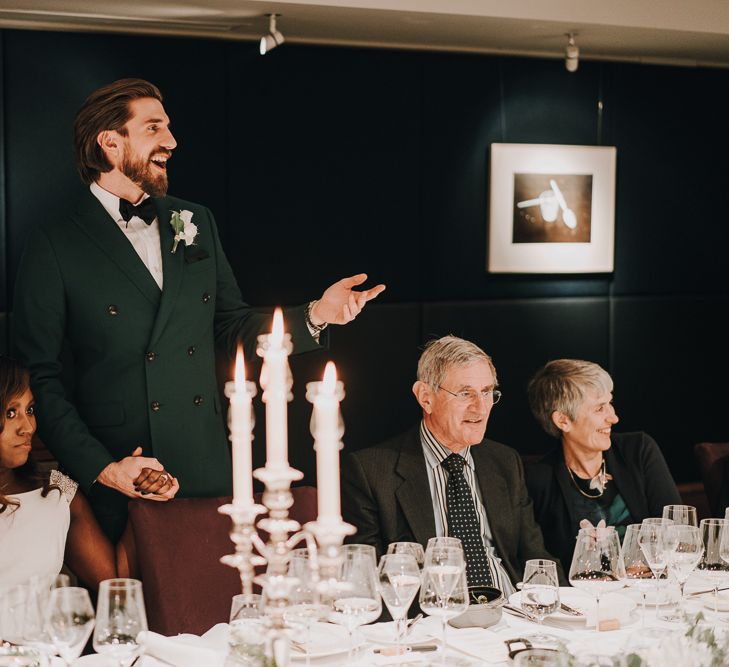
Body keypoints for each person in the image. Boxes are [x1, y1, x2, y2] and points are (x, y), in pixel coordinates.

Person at [12, 78, 384, 540]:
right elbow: (40, 376)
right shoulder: (54, 242)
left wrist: (316, 314)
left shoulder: (194, 221)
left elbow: (231, 327)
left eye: (168, 127)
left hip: (208, 466)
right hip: (124, 473)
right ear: (110, 143)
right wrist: (104, 468)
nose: (171, 141)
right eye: (153, 128)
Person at [341, 336, 558, 595]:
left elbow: (534, 558)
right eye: (465, 393)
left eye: (487, 392)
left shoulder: (504, 462)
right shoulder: (372, 472)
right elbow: (366, 580)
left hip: (510, 611)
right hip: (430, 618)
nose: (480, 407)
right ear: (425, 397)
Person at [525, 359, 681, 571]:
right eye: (600, 408)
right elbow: (545, 563)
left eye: (610, 403)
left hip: (650, 587)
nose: (613, 417)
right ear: (563, 421)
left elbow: (675, 531)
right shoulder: (538, 480)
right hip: (587, 597)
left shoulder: (638, 451)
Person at [0, 356, 131, 589]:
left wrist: (139, 490)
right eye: (11, 413)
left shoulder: (58, 490)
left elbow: (112, 580)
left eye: (29, 410)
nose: (28, 427)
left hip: (47, 626)